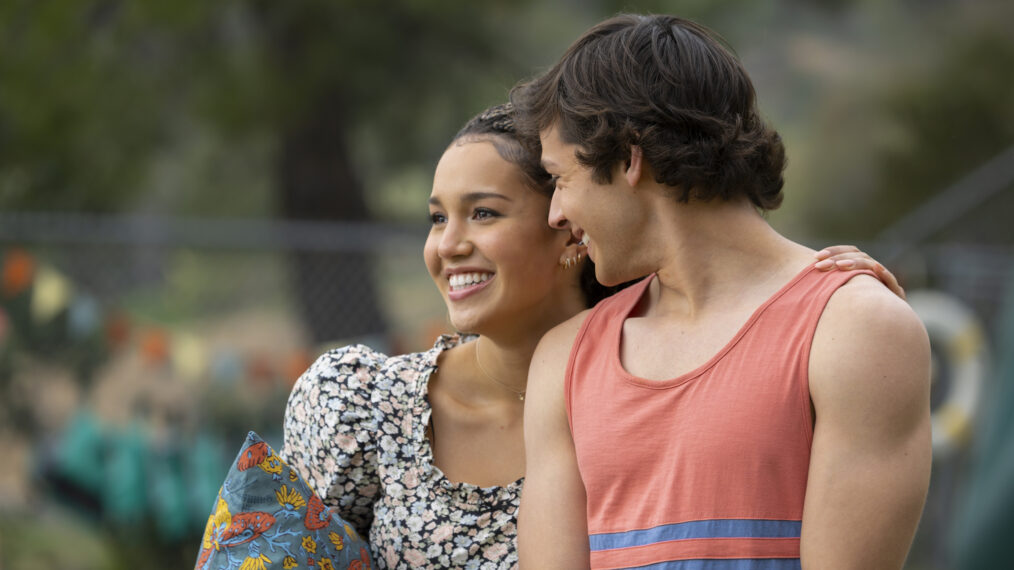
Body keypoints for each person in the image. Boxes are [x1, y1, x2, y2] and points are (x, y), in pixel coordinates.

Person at [278, 103, 904, 569]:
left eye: (484, 213)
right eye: (438, 217)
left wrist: (814, 287)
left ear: (571, 224)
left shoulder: (653, 405)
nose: (448, 245)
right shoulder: (356, 402)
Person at [512, 14, 932, 570]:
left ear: (629, 158)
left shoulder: (856, 329)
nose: (557, 213)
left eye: (561, 179)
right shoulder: (564, 360)